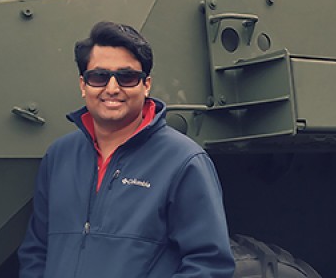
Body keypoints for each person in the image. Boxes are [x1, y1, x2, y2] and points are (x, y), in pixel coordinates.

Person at [18, 21, 235, 278]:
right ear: (83, 84)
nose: (112, 88)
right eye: (99, 76)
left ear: (146, 85)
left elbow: (209, 264)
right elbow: (36, 250)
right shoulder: (59, 156)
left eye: (127, 77)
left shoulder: (184, 161)